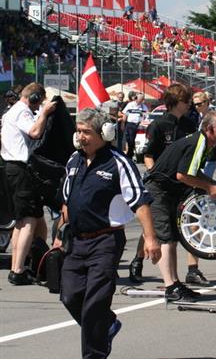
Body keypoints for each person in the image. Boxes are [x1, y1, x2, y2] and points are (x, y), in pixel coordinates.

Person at [55, 108, 161, 359]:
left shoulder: (118, 162)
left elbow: (140, 201)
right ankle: (108, 325)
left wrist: (151, 238)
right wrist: (60, 232)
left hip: (105, 241)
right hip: (76, 240)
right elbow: (67, 200)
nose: (81, 137)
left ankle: (95, 354)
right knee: (69, 295)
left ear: (105, 133)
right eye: (78, 131)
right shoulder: (74, 160)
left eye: (86, 132)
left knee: (95, 302)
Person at [128, 84, 208, 285]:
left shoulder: (190, 125)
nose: (189, 103)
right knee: (156, 228)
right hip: (161, 182)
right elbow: (148, 155)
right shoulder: (159, 125)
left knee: (188, 225)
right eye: (186, 100)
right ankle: (138, 260)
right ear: (174, 102)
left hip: (183, 181)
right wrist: (154, 175)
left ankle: (193, 269)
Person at [144, 111, 216, 301]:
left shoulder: (204, 143)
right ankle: (170, 286)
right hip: (158, 188)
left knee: (173, 238)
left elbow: (194, 171)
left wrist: (215, 184)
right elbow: (182, 175)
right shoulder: (199, 142)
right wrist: (208, 186)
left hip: (169, 190)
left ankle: (175, 283)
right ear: (209, 129)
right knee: (165, 238)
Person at [1, 83, 57, 285]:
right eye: (37, 103)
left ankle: (22, 264)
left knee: (28, 220)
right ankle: (17, 270)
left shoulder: (12, 112)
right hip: (21, 169)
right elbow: (34, 132)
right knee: (28, 222)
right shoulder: (22, 112)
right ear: (33, 98)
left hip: (13, 169)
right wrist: (45, 113)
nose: (37, 108)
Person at [121, 92, 148, 160]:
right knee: (130, 140)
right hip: (130, 124)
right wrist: (123, 124)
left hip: (139, 125)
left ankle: (132, 154)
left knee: (136, 140)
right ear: (136, 98)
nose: (142, 101)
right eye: (140, 99)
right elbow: (125, 115)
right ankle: (130, 153)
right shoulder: (130, 105)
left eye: (142, 99)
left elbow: (146, 116)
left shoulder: (143, 107)